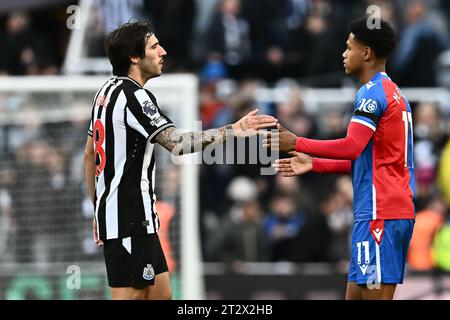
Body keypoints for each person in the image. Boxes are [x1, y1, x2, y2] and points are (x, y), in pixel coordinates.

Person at [83, 21, 276, 300]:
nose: (163, 52)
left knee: (162, 295)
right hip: (130, 219)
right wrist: (233, 130)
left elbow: (89, 155)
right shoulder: (135, 96)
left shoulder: (104, 93)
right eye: (154, 47)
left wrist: (99, 206)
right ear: (134, 57)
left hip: (134, 220)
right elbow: (177, 143)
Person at [264, 17, 415, 300]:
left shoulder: (372, 94)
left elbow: (351, 147)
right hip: (379, 211)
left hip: (379, 214)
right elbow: (369, 159)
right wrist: (314, 163)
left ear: (366, 53)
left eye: (349, 47)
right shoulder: (394, 94)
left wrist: (298, 142)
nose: (344, 54)